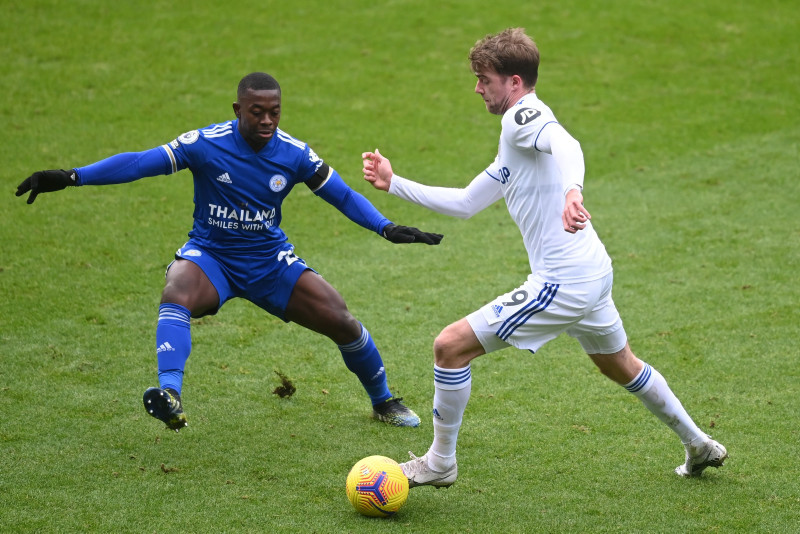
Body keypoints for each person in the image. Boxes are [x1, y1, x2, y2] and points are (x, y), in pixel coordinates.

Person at [361, 28, 726, 485]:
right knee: (621, 364)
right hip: (592, 271)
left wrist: (573, 191)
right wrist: (395, 183)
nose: (477, 88)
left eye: (484, 79)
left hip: (563, 281)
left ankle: (440, 463)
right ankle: (698, 444)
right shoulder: (513, 137)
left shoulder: (524, 116)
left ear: (514, 82)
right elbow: (467, 202)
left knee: (449, 348)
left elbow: (567, 144)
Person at [16, 71, 443, 432]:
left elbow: (342, 196)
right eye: (256, 111)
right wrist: (71, 176)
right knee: (177, 290)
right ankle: (170, 394)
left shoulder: (294, 154)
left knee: (342, 319)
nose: (267, 120)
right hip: (211, 257)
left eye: (274, 111)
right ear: (237, 109)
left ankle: (384, 401)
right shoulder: (205, 143)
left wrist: (386, 228)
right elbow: (138, 163)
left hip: (268, 262)